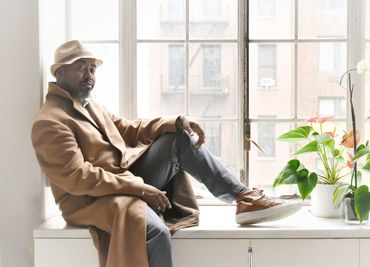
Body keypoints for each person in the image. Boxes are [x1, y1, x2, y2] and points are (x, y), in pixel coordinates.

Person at [31, 40, 301, 267]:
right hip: (92, 200)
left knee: (178, 138)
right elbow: (79, 178)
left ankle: (244, 197)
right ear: (59, 72)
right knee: (154, 232)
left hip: (122, 182)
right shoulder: (50, 121)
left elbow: (129, 128)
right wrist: (140, 188)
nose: (90, 75)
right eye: (81, 68)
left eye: (92, 69)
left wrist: (177, 120)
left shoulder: (91, 107)